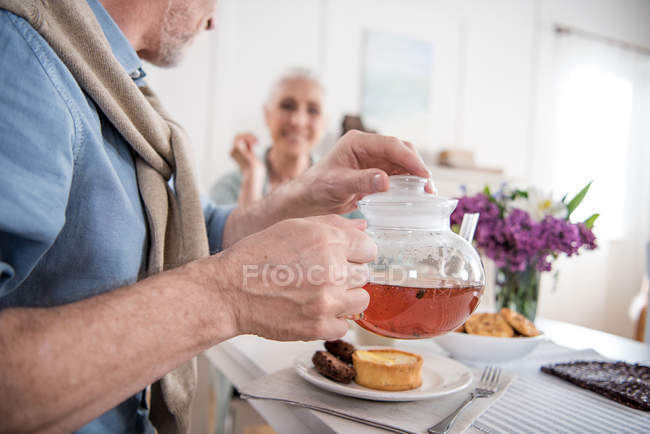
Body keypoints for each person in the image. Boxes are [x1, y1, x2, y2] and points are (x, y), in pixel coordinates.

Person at [0, 1, 431, 433]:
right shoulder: (19, 55)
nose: (213, 20)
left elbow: (192, 231)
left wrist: (306, 192)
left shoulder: (112, 81)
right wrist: (231, 294)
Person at [210, 68, 327, 208]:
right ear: (267, 114)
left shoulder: (341, 189)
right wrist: (252, 178)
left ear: (325, 123)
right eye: (287, 106)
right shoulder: (229, 188)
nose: (298, 121)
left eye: (313, 110)